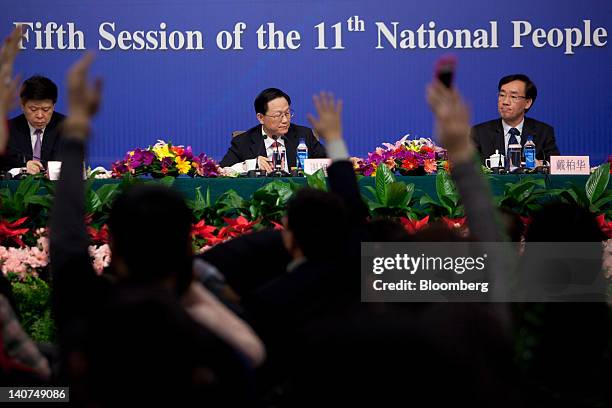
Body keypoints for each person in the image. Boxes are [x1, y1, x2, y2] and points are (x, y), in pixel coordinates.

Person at [49, 54, 260, 405]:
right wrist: (192, 290)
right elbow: (252, 359)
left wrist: (77, 131)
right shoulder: (200, 338)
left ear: (112, 242)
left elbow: (66, 236)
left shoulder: (87, 307)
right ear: (186, 247)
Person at [219, 88, 326, 173]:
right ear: (261, 117)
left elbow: (329, 163)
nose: (285, 120)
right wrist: (251, 164)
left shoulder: (304, 135)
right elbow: (222, 171)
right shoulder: (243, 141)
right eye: (278, 115)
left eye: (287, 113)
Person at [471, 74, 560, 164]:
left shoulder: (543, 132)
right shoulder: (479, 133)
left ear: (527, 103)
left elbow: (555, 164)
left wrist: (541, 164)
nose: (505, 102)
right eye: (502, 95)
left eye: (513, 97)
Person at [1, 75, 65, 175]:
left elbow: (76, 165)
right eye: (33, 109)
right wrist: (22, 169)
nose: (39, 115)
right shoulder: (7, 130)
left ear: (54, 106)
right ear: (22, 106)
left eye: (46, 109)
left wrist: (53, 171)